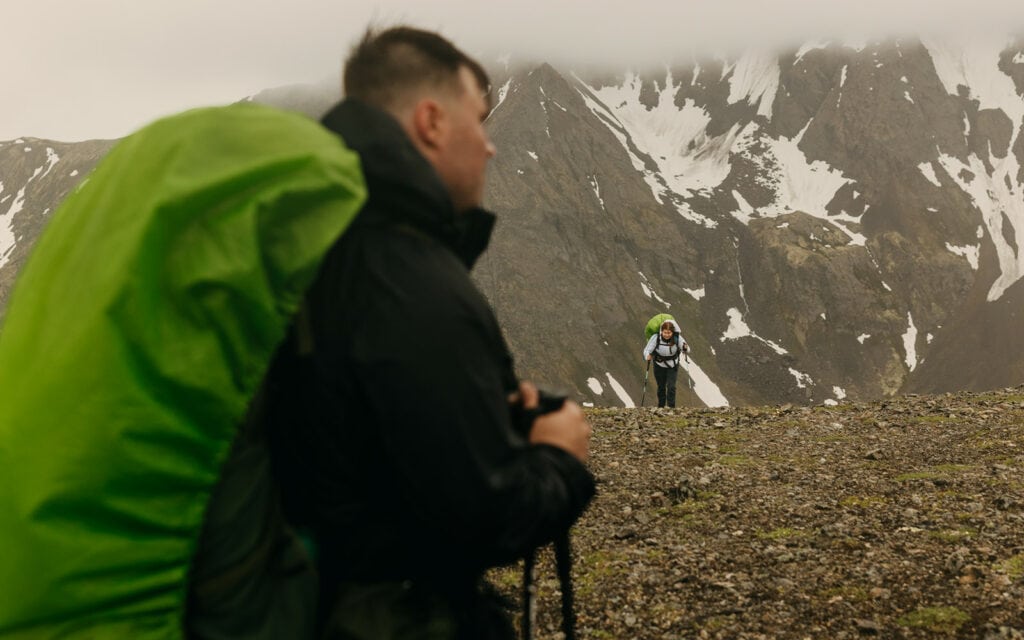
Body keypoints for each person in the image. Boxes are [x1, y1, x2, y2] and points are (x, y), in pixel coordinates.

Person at [262, 26, 595, 639]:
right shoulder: (407, 274)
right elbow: (481, 515)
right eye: (480, 119)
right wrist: (558, 457)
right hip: (392, 617)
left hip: (314, 599)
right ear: (432, 121)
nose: (490, 147)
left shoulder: (323, 242)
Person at [643, 319, 689, 408]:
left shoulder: (677, 338)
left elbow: (687, 349)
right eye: (665, 332)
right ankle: (661, 407)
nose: (667, 335)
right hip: (659, 365)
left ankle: (671, 408)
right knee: (661, 387)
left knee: (671, 387)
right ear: (661, 331)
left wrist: (685, 348)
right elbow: (647, 350)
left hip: (673, 365)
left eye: (669, 333)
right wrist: (647, 356)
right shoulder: (656, 337)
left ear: (672, 332)